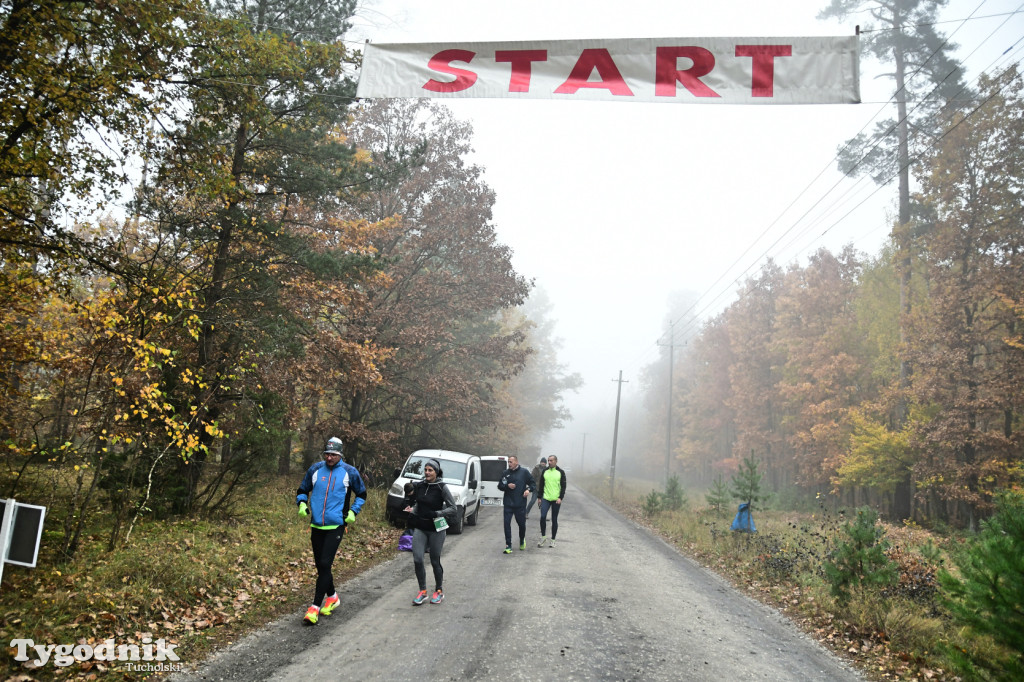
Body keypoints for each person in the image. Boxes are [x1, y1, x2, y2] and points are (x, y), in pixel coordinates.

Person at [295, 436, 367, 625]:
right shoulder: (316, 469)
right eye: (327, 454)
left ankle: (314, 607)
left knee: (326, 563)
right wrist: (301, 504)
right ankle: (333, 596)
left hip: (336, 524)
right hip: (316, 524)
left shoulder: (350, 472)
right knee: (321, 565)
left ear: (340, 454)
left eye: (333, 455)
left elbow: (362, 494)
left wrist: (353, 511)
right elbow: (302, 489)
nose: (329, 458)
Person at [403, 458, 457, 605]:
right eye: (425, 470)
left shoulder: (441, 487)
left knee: (434, 560)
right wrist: (412, 510)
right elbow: (419, 505)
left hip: (436, 529)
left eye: (430, 470)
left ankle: (439, 591)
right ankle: (423, 591)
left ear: (436, 472)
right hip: (421, 527)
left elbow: (453, 508)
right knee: (418, 559)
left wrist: (437, 513)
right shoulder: (420, 486)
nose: (427, 472)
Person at [497, 454, 535, 554]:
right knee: (506, 524)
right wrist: (507, 486)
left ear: (516, 462)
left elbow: (533, 484)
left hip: (520, 504)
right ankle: (508, 545)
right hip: (508, 503)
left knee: (521, 524)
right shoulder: (505, 473)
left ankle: (522, 539)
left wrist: (528, 490)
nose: (509, 464)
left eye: (511, 462)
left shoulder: (524, 472)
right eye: (508, 462)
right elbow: (500, 486)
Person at [537, 454, 567, 548]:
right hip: (545, 498)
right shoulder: (545, 471)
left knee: (554, 519)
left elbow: (563, 486)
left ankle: (553, 540)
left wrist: (560, 498)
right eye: (548, 460)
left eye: (551, 460)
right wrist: (539, 497)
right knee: (542, 517)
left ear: (556, 461)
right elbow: (541, 485)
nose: (549, 462)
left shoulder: (561, 472)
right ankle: (543, 537)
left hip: (556, 499)